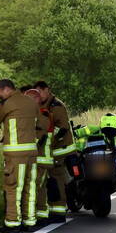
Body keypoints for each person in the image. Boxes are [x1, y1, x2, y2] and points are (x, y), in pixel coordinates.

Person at [0, 79, 40, 232]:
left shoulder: (7, 103)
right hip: (32, 153)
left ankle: (12, 222)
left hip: (15, 154)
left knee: (13, 188)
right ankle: (30, 221)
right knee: (30, 187)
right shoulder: (31, 102)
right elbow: (41, 123)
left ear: (6, 89)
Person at [34, 80, 74, 222]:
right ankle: (51, 210)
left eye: (40, 92)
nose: (38, 95)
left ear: (47, 90)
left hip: (60, 150)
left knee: (57, 179)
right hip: (50, 150)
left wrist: (48, 139)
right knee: (49, 181)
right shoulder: (42, 105)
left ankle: (58, 212)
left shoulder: (56, 105)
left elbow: (62, 128)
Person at [21, 86, 53, 227]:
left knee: (34, 188)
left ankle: (32, 217)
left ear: (35, 100)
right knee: (39, 188)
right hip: (38, 158)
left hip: (41, 158)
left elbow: (38, 137)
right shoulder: (38, 114)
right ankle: (41, 215)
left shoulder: (43, 115)